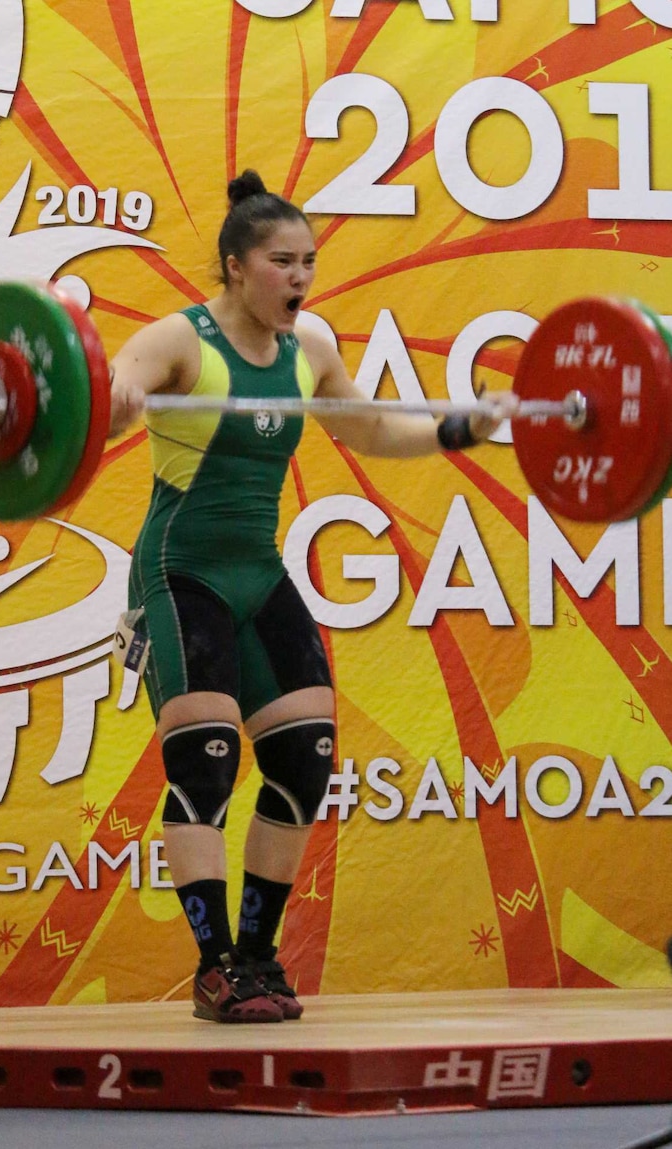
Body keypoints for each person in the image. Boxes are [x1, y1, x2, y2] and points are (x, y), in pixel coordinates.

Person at [107, 169, 515, 1023]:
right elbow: (109, 401)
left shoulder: (311, 346)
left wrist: (460, 426)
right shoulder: (179, 341)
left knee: (302, 758)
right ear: (233, 267)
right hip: (180, 572)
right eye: (281, 261)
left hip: (258, 566)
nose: (299, 278)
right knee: (206, 761)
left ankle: (258, 956)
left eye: (308, 262)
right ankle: (214, 967)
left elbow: (368, 428)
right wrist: (111, 402)